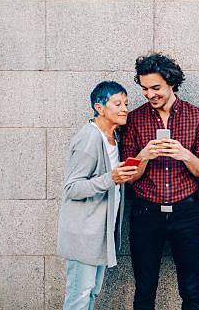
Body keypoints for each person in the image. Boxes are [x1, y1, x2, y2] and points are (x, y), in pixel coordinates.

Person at [121, 53, 199, 310]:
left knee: (191, 289)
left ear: (171, 83)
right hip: (145, 212)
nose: (150, 94)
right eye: (144, 89)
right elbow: (129, 175)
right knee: (144, 289)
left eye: (156, 88)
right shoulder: (134, 119)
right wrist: (143, 155)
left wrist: (184, 154)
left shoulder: (198, 116)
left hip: (186, 212)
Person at [57, 80, 137, 310]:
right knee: (79, 296)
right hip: (84, 234)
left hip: (100, 234)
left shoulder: (113, 138)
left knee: (91, 293)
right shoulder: (89, 138)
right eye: (117, 103)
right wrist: (110, 178)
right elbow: (72, 187)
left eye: (126, 103)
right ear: (99, 107)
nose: (124, 109)